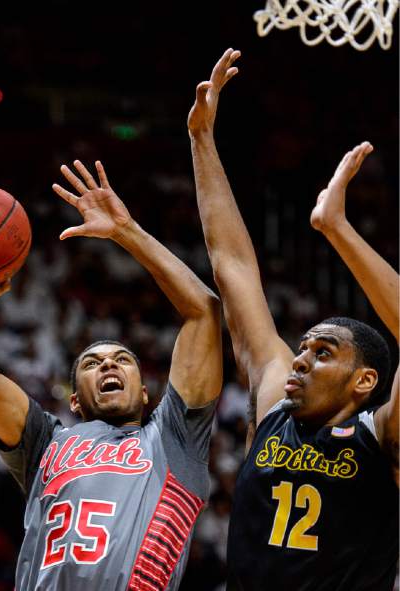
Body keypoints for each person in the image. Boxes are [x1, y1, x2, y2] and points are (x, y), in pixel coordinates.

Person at [0, 159, 223, 590]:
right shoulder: (46, 442)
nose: (108, 363)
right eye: (92, 363)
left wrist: (126, 231)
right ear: (74, 400)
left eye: (123, 359)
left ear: (147, 394)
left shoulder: (173, 438)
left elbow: (204, 310)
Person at [188, 49, 398, 591]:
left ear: (366, 380)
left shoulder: (383, 436)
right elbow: (232, 268)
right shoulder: (274, 407)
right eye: (304, 347)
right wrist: (202, 142)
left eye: (324, 352)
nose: (300, 358)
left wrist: (336, 228)